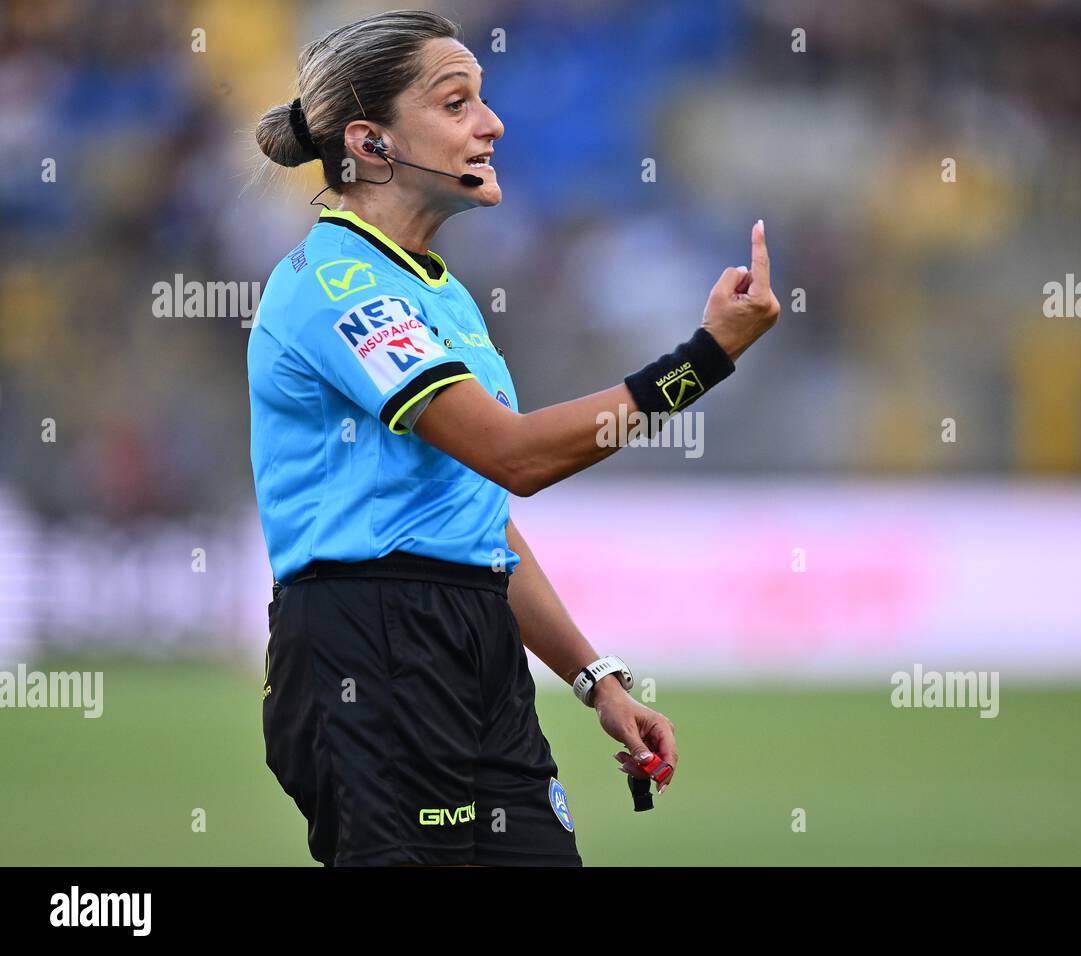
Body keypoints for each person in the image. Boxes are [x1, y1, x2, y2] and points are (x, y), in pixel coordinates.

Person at [248, 9, 779, 866]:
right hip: (370, 649)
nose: (491, 124)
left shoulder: (442, 294)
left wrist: (595, 679)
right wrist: (704, 359)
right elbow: (517, 456)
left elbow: (476, 517)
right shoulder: (335, 282)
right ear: (371, 141)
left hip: (471, 643)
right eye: (456, 103)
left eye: (482, 101)